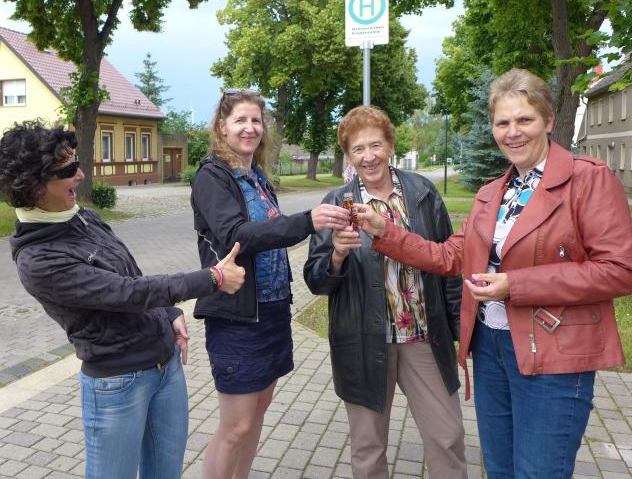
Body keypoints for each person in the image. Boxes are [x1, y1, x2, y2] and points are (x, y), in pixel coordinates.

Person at [358, 69, 632, 478]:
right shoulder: (493, 191)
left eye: (525, 120)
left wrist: (515, 286)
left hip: (553, 352)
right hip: (490, 348)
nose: (513, 132)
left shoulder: (587, 179)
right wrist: (386, 232)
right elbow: (450, 255)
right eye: (503, 123)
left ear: (549, 121)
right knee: (500, 469)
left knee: (538, 471)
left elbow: (619, 270)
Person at [0, 121, 245, 479]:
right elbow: (127, 293)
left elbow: (131, 275)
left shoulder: (84, 217)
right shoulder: (38, 259)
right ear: (32, 184)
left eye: (77, 164)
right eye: (67, 170)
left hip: (165, 366)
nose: (80, 175)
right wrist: (212, 277)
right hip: (119, 384)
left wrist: (168, 311)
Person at [190, 88, 351, 478]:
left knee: (257, 415)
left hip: (273, 310)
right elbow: (237, 235)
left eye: (256, 121)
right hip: (238, 317)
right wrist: (306, 221)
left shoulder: (257, 177)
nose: (249, 128)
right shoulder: (212, 176)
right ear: (222, 127)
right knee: (236, 426)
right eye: (240, 120)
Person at [304, 105, 467, 479]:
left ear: (391, 145)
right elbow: (316, 280)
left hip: (423, 337)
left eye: (375, 145)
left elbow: (449, 263)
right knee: (368, 449)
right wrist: (337, 254)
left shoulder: (421, 192)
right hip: (364, 341)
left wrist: (459, 330)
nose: (368, 156)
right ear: (348, 155)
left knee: (447, 436)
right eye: (358, 149)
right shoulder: (337, 203)